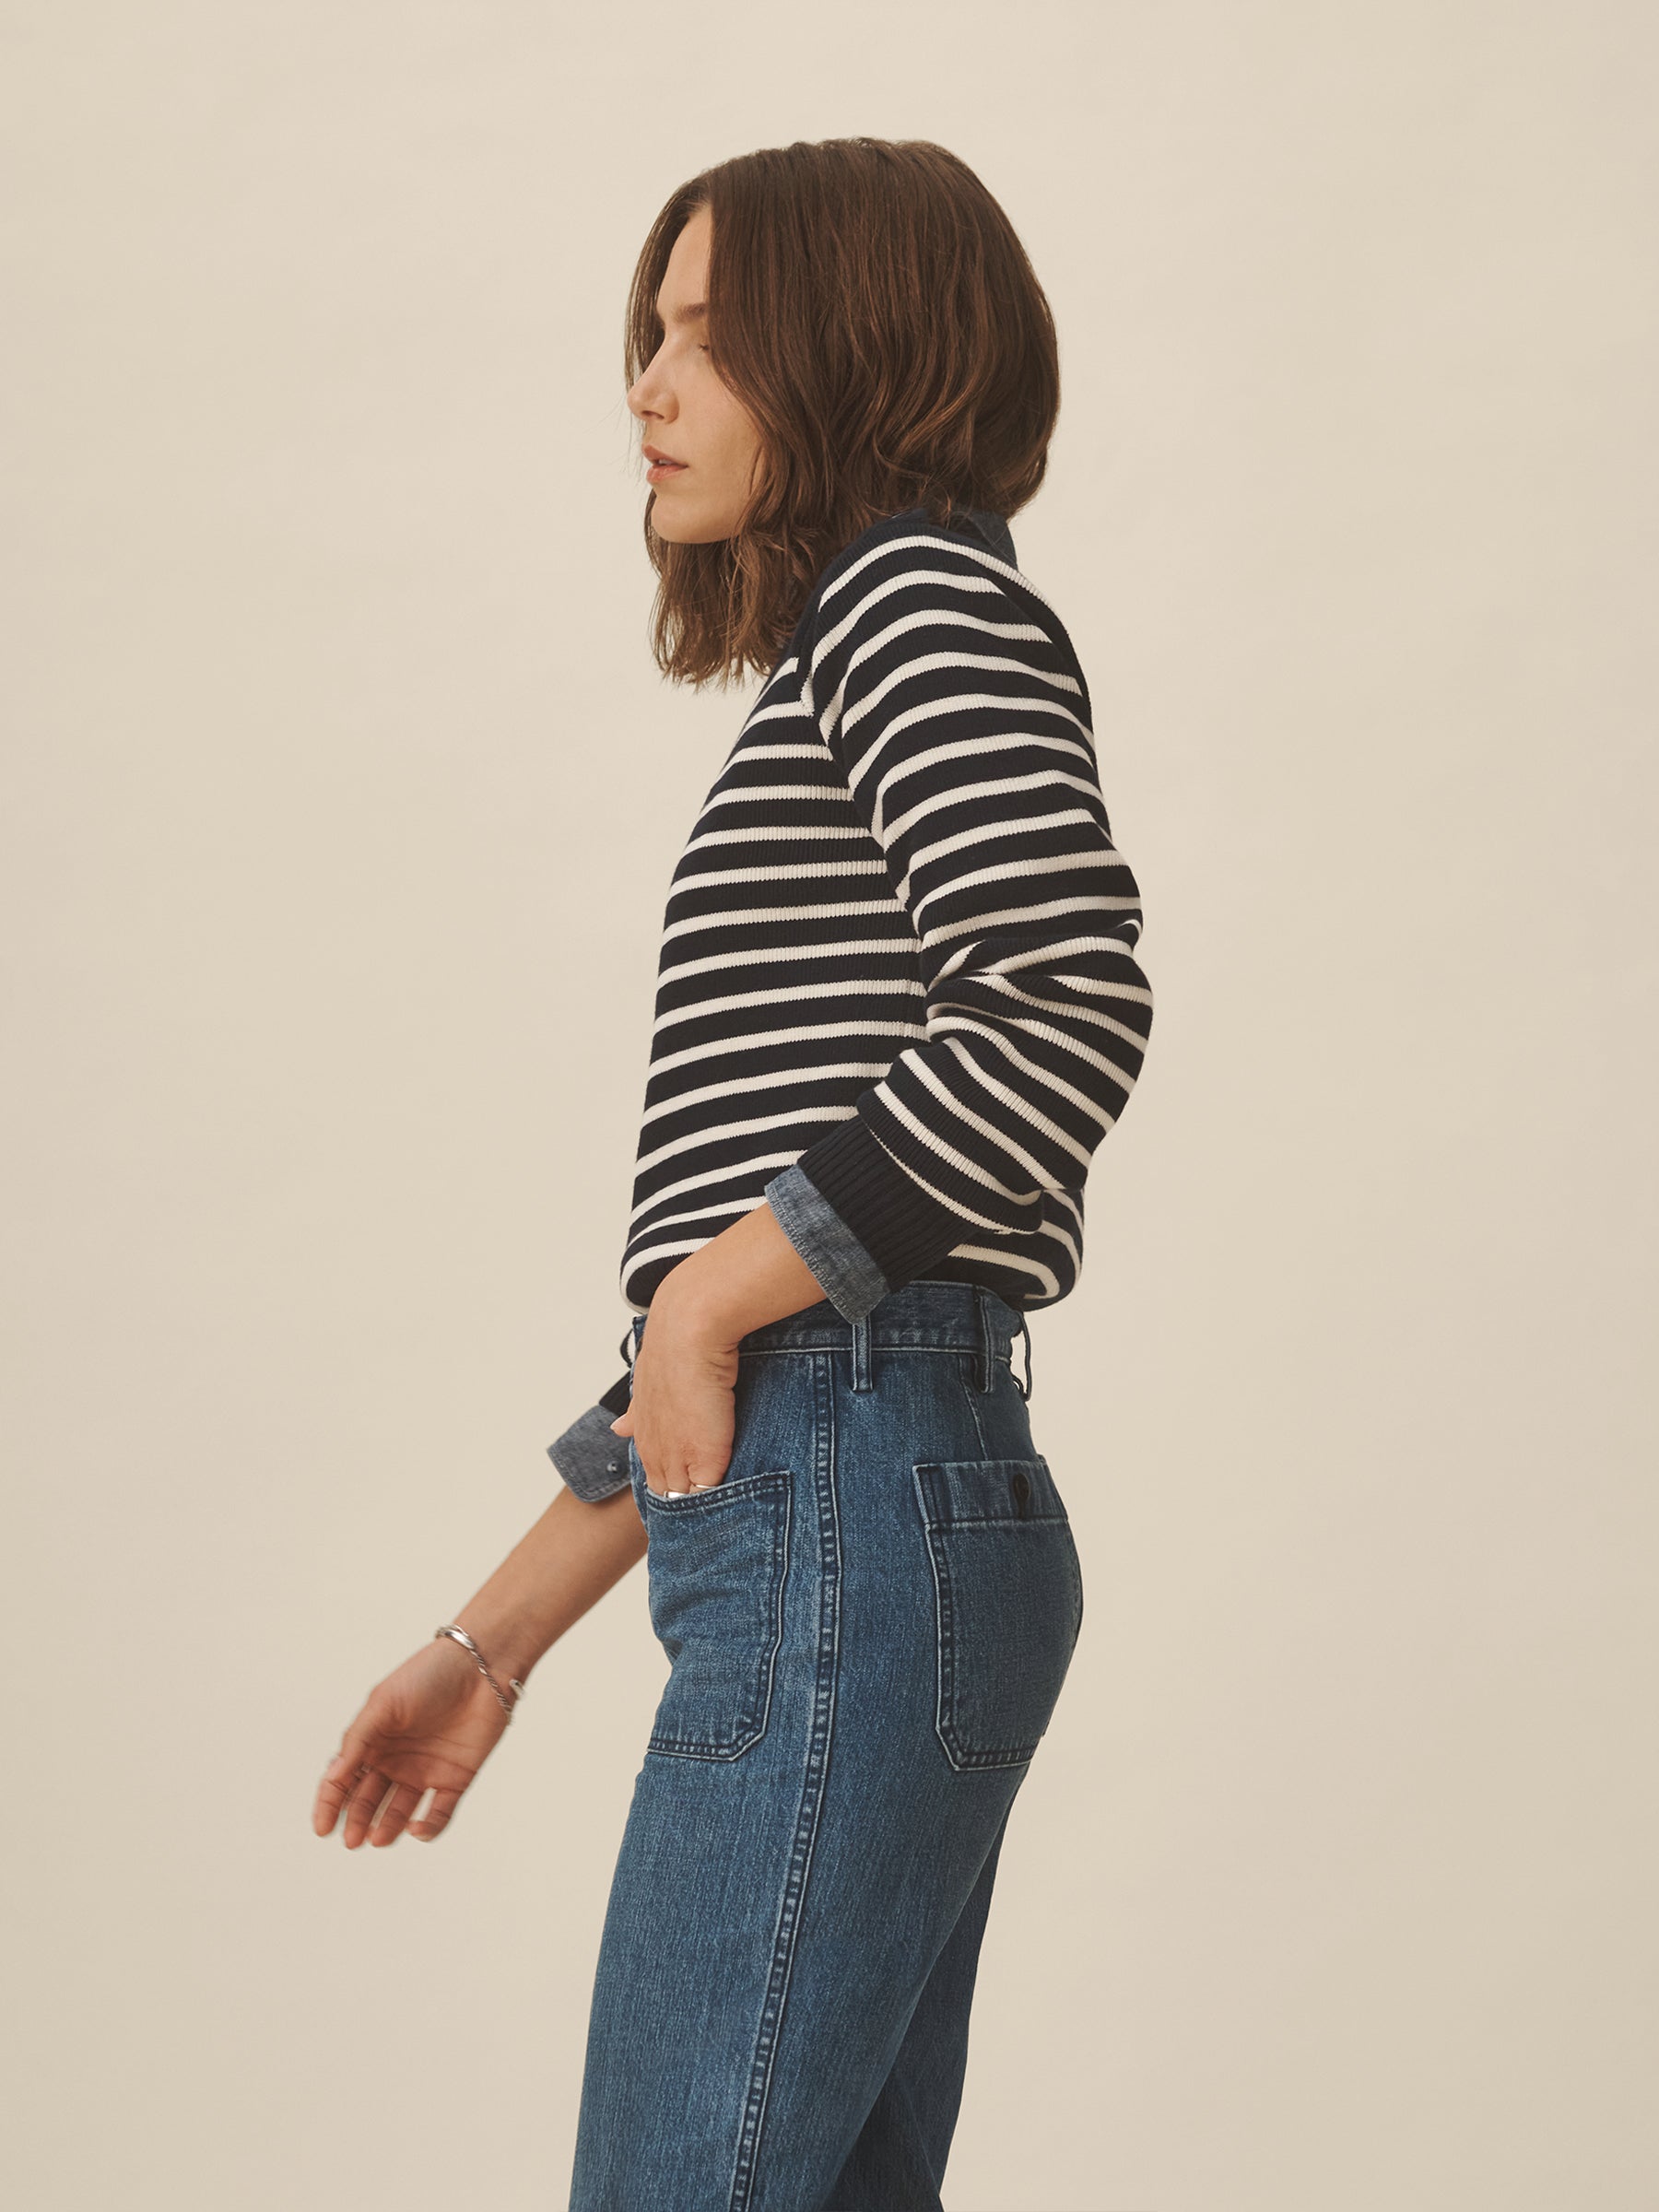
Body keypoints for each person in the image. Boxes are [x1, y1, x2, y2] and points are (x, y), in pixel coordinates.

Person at [312, 135, 1154, 2212]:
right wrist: (492, 1644)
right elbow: (745, 1328)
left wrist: (708, 1299)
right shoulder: (854, 648)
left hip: (858, 1506)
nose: (648, 384)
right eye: (651, 332)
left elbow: (1058, 1003)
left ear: (854, 347)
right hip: (844, 1495)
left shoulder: (917, 601)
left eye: (708, 336)